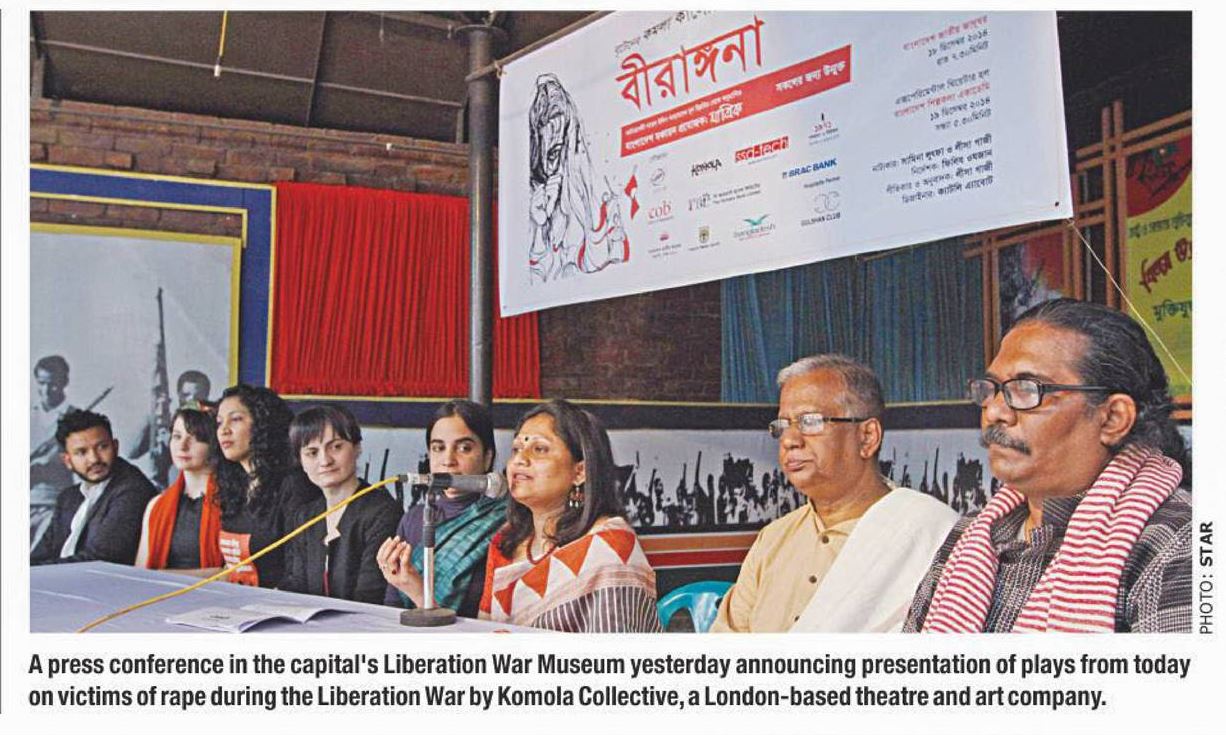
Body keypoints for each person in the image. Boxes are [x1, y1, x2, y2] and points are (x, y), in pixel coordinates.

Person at [905, 298, 1192, 633]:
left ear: (1113, 418)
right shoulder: (973, 535)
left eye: (1027, 390)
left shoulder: (1177, 545)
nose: (994, 411)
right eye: (991, 389)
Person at [712, 355, 959, 633]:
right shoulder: (773, 540)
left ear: (867, 437)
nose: (789, 440)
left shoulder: (929, 533)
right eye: (782, 426)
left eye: (810, 421)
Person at [478, 399, 660, 632]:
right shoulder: (505, 542)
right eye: (516, 449)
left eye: (539, 449)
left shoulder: (610, 547)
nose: (519, 459)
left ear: (580, 472)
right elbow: (484, 629)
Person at [378, 400, 507, 617]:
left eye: (464, 448)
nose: (448, 460)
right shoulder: (414, 518)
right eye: (438, 448)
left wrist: (419, 594)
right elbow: (392, 605)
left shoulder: (506, 521)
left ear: (488, 457)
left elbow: (490, 619)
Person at [280, 405, 399, 603]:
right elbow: (297, 588)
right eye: (312, 452)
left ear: (357, 447)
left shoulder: (382, 513)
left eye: (336, 447)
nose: (325, 460)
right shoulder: (305, 516)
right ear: (300, 460)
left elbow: (371, 596)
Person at [31, 409, 157, 565]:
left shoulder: (133, 489)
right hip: (61, 577)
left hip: (100, 578)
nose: (94, 459)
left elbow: (100, 559)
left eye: (102, 447)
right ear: (67, 461)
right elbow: (40, 554)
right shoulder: (68, 498)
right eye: (81, 452)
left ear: (115, 447)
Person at [215, 384, 303, 588]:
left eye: (235, 419)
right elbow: (229, 570)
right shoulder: (235, 487)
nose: (224, 430)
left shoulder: (293, 485)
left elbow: (297, 572)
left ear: (263, 424)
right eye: (219, 422)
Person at [134, 403, 224, 573]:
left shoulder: (232, 502)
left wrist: (165, 575)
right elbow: (140, 573)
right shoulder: (156, 505)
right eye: (176, 436)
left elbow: (236, 574)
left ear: (214, 444)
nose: (182, 446)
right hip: (159, 588)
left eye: (195, 438)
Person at [30, 355, 78, 549]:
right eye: (41, 383)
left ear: (64, 382)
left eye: (53, 384)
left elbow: (84, 465)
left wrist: (51, 463)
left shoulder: (75, 417)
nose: (46, 390)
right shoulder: (25, 415)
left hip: (55, 504)